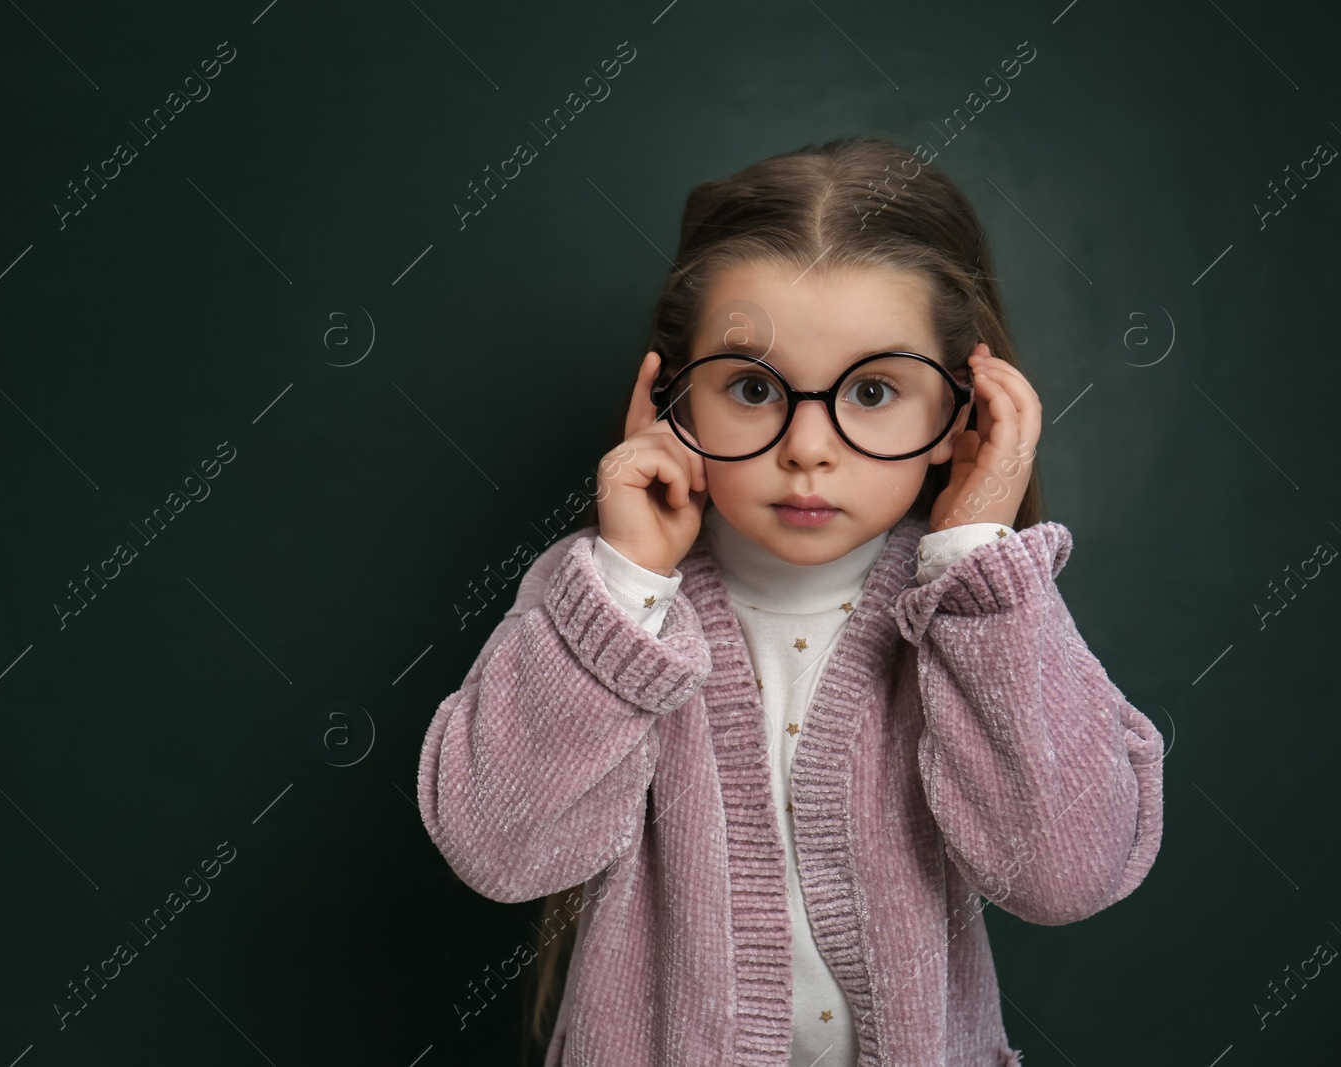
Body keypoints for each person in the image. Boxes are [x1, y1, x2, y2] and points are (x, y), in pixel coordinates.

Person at [415, 135, 1165, 1067]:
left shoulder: (983, 615)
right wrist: (628, 584)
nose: (808, 446)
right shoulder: (604, 601)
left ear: (958, 413)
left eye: (877, 389)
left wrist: (976, 560)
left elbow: (1068, 874)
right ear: (672, 397)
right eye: (755, 388)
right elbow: (500, 850)